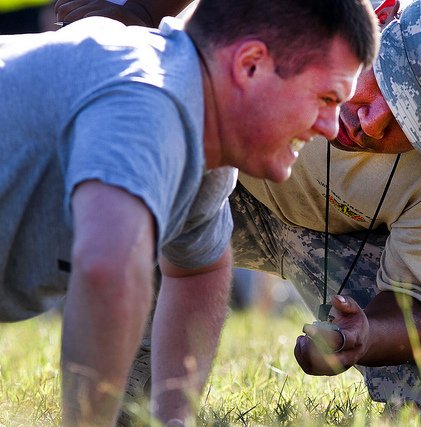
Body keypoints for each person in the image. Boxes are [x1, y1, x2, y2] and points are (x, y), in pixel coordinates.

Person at [57, 0, 421, 416]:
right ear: (382, 16)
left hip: (338, 241)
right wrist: (117, 21)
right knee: (131, 198)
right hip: (223, 175)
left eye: (412, 123)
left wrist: (366, 335)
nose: (371, 123)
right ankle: (128, 396)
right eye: (385, 86)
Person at [0, 0, 379, 425]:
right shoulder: (150, 94)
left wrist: (174, 419)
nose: (331, 127)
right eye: (326, 97)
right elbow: (108, 269)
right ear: (250, 64)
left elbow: (198, 270)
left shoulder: (203, 132)